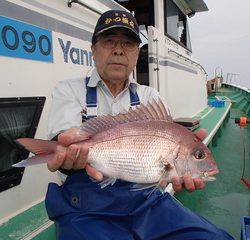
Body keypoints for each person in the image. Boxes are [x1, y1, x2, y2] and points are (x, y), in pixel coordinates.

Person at [45, 10, 234, 240]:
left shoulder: (150, 97)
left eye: (127, 43)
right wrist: (67, 155)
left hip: (147, 204)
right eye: (109, 42)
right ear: (93, 50)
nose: (118, 50)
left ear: (136, 54)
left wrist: (176, 171)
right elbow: (63, 139)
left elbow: (163, 173)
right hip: (85, 207)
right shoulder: (69, 90)